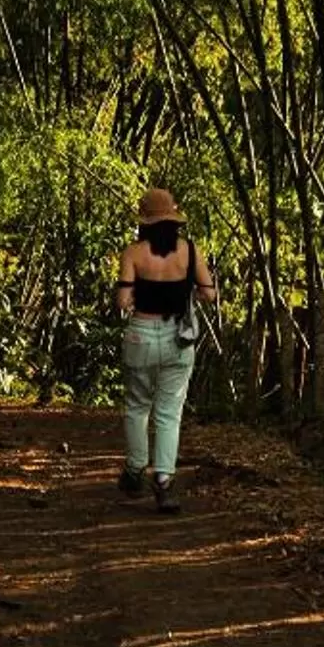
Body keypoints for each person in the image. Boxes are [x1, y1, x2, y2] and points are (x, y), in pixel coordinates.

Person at [115, 186, 216, 513]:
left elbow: (122, 301)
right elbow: (209, 293)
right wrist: (187, 294)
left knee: (137, 406)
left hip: (141, 334)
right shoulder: (190, 251)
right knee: (169, 413)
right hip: (178, 338)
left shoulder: (132, 253)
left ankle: (135, 468)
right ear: (174, 219)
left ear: (144, 221)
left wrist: (135, 295)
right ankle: (163, 480)